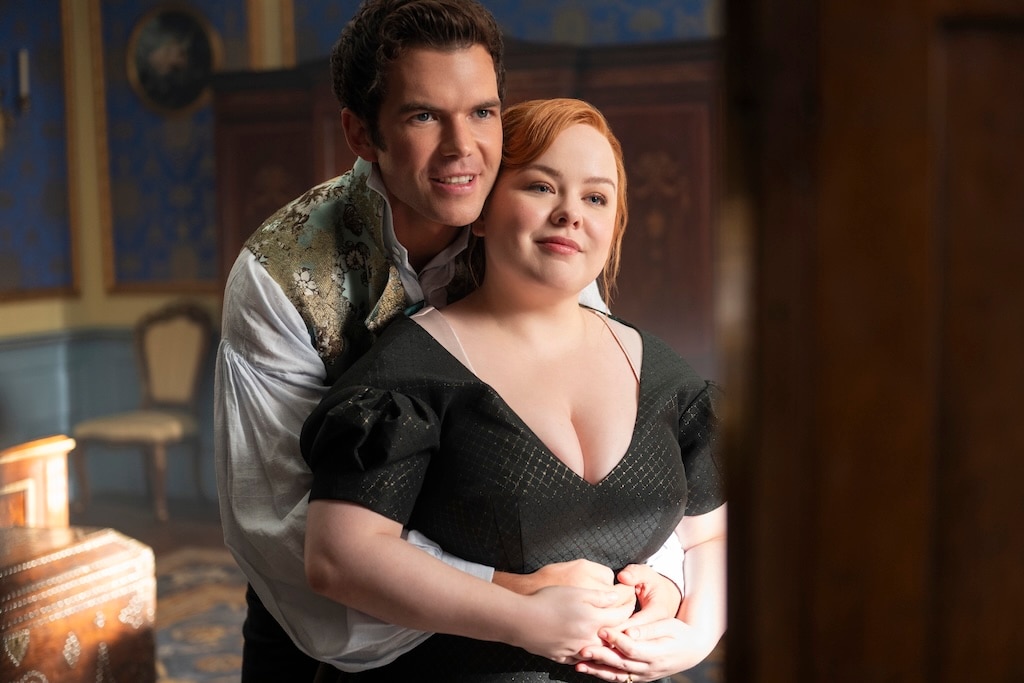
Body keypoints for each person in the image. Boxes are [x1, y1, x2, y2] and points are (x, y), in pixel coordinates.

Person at [215, 1, 685, 681]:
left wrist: (657, 576)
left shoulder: (530, 221)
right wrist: (508, 591)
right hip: (328, 629)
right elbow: (284, 525)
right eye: (423, 116)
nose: (463, 148)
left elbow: (610, 436)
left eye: (483, 112)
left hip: (535, 616)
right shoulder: (281, 275)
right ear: (361, 133)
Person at [300, 97, 727, 683]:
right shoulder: (408, 373)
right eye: (541, 187)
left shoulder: (666, 375)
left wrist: (698, 634)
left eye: (596, 198)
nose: (570, 213)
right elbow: (338, 558)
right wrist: (522, 619)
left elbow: (711, 536)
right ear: (480, 212)